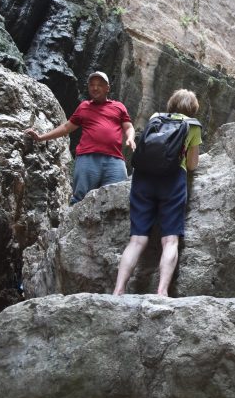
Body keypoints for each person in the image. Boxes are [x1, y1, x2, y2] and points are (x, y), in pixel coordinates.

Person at [112, 89, 202, 297]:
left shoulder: (156, 118)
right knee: (170, 240)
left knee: (137, 239)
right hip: (172, 181)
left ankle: (118, 290)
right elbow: (192, 164)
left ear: (171, 104)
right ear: (193, 109)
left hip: (143, 177)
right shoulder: (193, 126)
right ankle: (161, 292)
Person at [25, 71, 135, 204]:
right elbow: (66, 127)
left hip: (115, 159)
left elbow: (128, 127)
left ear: (108, 88)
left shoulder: (118, 107)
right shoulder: (84, 107)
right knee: (80, 199)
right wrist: (41, 137)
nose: (95, 88)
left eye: (99, 85)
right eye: (92, 85)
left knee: (117, 199)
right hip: (88, 158)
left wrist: (130, 138)